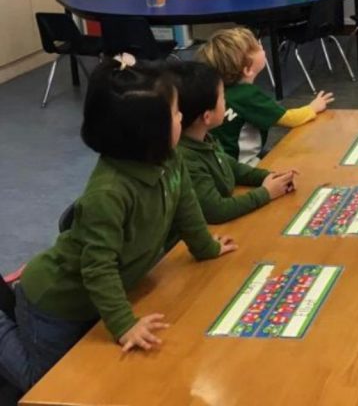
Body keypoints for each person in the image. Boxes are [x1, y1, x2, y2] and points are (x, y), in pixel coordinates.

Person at [0, 56, 237, 398]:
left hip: (99, 298)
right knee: (45, 386)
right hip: (55, 302)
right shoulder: (109, 192)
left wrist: (206, 247)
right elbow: (98, 268)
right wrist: (125, 326)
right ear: (147, 133)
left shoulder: (169, 158)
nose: (181, 117)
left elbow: (186, 207)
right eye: (173, 113)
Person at [169, 60, 298, 224]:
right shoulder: (187, 158)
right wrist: (266, 193)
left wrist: (272, 177)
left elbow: (233, 168)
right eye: (223, 97)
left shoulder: (205, 138)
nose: (226, 101)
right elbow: (217, 211)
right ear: (207, 117)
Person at [197, 28, 333, 165]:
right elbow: (289, 119)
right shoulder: (247, 95)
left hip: (217, 163)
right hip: (240, 164)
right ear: (247, 70)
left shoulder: (217, 92)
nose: (262, 46)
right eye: (257, 47)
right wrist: (312, 108)